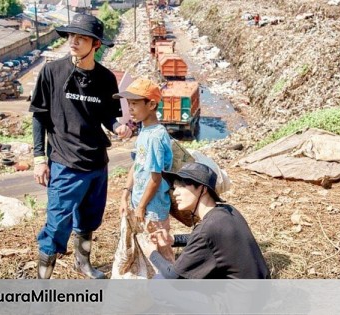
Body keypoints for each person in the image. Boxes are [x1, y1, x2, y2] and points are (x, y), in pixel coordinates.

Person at [30, 13, 132, 279]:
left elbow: (108, 115)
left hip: (97, 162)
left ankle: (83, 263)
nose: (73, 41)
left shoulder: (106, 79)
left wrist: (118, 126)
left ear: (95, 44)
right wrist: (39, 158)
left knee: (88, 220)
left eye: (81, 38)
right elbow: (39, 115)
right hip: (65, 164)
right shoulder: (52, 72)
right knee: (56, 225)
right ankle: (42, 282)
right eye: (71, 36)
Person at [147, 162, 270, 279]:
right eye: (175, 188)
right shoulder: (226, 211)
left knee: (159, 283)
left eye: (182, 186)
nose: (175, 193)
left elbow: (173, 276)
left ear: (203, 189)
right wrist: (173, 239)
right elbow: (207, 239)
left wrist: (152, 253)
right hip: (259, 290)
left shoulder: (207, 229)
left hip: (238, 298)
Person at [113, 77, 175, 264]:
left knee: (162, 250)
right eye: (128, 104)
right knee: (148, 250)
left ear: (151, 104)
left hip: (153, 209)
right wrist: (126, 194)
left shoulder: (155, 136)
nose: (130, 108)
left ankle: (171, 283)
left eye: (134, 104)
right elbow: (137, 165)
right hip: (142, 204)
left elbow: (156, 179)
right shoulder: (144, 131)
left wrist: (141, 206)